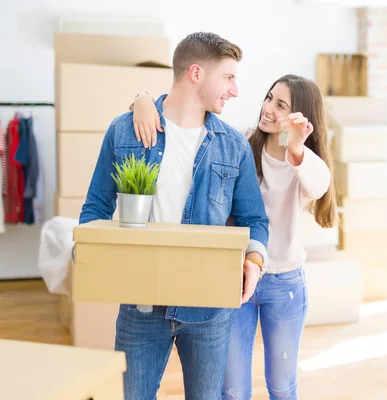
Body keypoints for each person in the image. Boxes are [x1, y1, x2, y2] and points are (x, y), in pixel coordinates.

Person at [79, 32, 270, 400]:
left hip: (210, 309)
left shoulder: (233, 146)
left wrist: (255, 259)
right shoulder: (126, 130)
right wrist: (90, 259)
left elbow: (254, 218)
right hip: (141, 305)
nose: (235, 90)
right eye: (228, 77)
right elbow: (95, 208)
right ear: (196, 73)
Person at [131, 74, 337, 400]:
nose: (268, 108)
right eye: (269, 98)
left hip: (284, 285)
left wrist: (295, 146)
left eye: (280, 104)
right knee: (233, 390)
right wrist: (144, 98)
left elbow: (319, 185)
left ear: (300, 116)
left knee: (282, 386)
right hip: (235, 280)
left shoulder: (302, 162)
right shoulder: (241, 142)